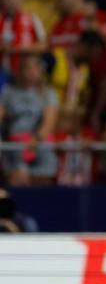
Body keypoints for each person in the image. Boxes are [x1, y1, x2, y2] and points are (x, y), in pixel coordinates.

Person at [0, 54, 58, 186]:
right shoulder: (9, 92)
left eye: (35, 68)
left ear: (41, 71)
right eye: (27, 68)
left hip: (39, 147)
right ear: (21, 71)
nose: (31, 73)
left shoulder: (48, 93)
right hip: (15, 148)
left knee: (40, 190)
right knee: (17, 184)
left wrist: (35, 140)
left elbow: (49, 122)